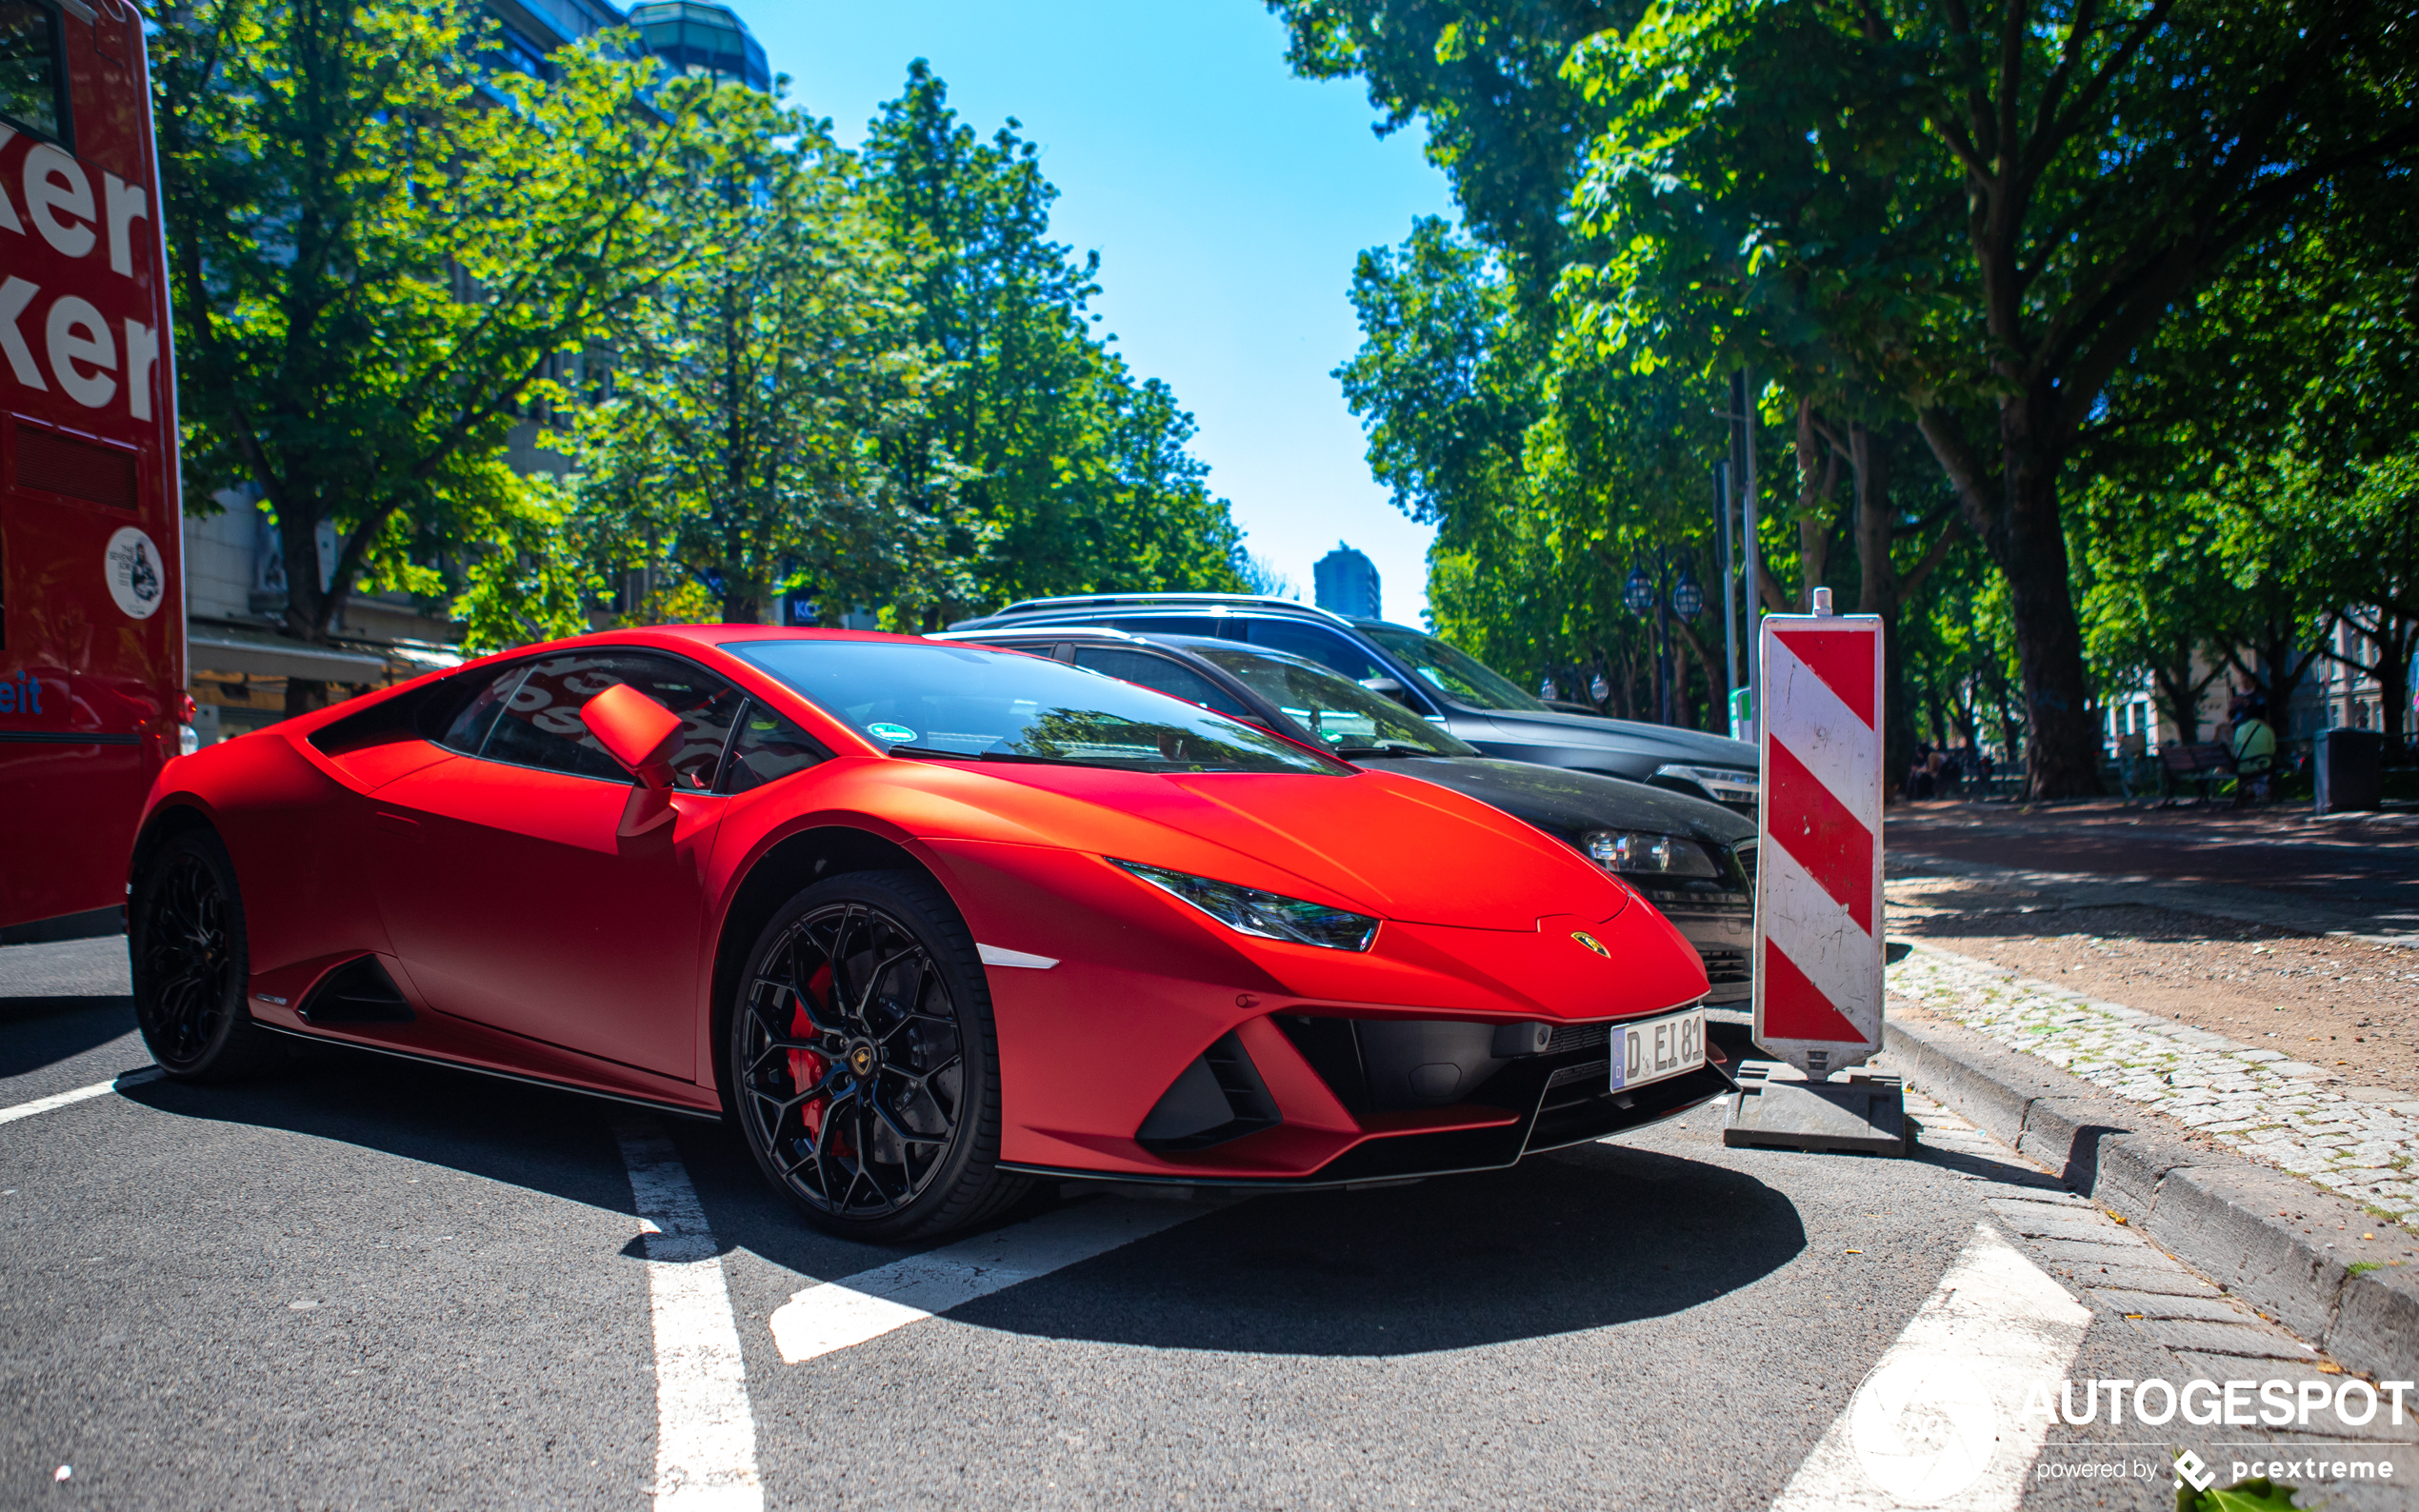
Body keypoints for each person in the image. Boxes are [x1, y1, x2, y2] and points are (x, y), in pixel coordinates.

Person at [2229, 693, 2277, 806]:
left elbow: (2235, 748)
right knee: (2265, 762)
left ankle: (2252, 793)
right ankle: (2262, 794)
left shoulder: (2240, 728)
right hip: (2260, 764)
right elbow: (2272, 751)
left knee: (2259, 762)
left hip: (2242, 766)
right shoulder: (2267, 729)